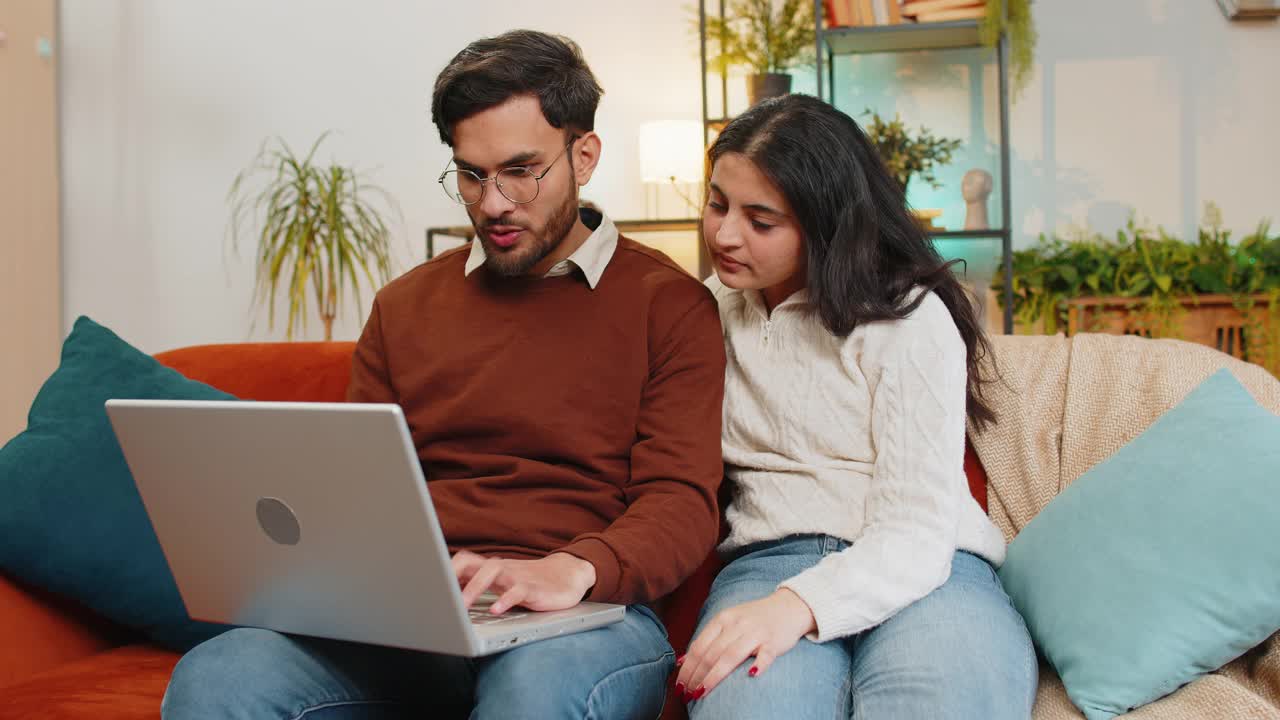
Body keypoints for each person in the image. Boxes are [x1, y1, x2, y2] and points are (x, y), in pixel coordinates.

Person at [160, 30, 726, 720]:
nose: (492, 204)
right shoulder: (405, 306)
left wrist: (572, 569)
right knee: (220, 676)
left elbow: (682, 498)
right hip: (414, 622)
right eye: (471, 174)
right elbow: (348, 486)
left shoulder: (668, 305)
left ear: (584, 156)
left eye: (522, 171)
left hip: (582, 618)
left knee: (534, 696)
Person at [675, 94, 1037, 719]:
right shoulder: (703, 311)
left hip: (931, 569)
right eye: (717, 204)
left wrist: (799, 607)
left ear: (827, 225)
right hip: (769, 560)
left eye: (761, 220)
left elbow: (917, 527)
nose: (725, 235)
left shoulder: (908, 316)